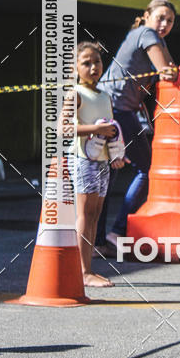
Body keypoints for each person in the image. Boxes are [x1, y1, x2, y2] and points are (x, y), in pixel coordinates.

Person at [95, 0, 178, 252]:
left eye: (170, 21)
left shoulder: (153, 37)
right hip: (117, 109)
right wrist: (176, 71)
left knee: (107, 175)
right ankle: (116, 233)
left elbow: (171, 68)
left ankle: (97, 240)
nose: (164, 24)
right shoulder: (146, 33)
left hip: (112, 107)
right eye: (160, 17)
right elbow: (168, 71)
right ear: (147, 15)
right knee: (148, 169)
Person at [69, 42, 128, 287]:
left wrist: (118, 154)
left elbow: (111, 131)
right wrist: (95, 129)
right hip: (84, 162)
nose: (94, 67)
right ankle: (82, 272)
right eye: (86, 63)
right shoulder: (75, 94)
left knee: (95, 215)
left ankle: (88, 268)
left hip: (103, 163)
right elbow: (64, 128)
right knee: (84, 214)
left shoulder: (104, 95)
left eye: (97, 62)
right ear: (75, 67)